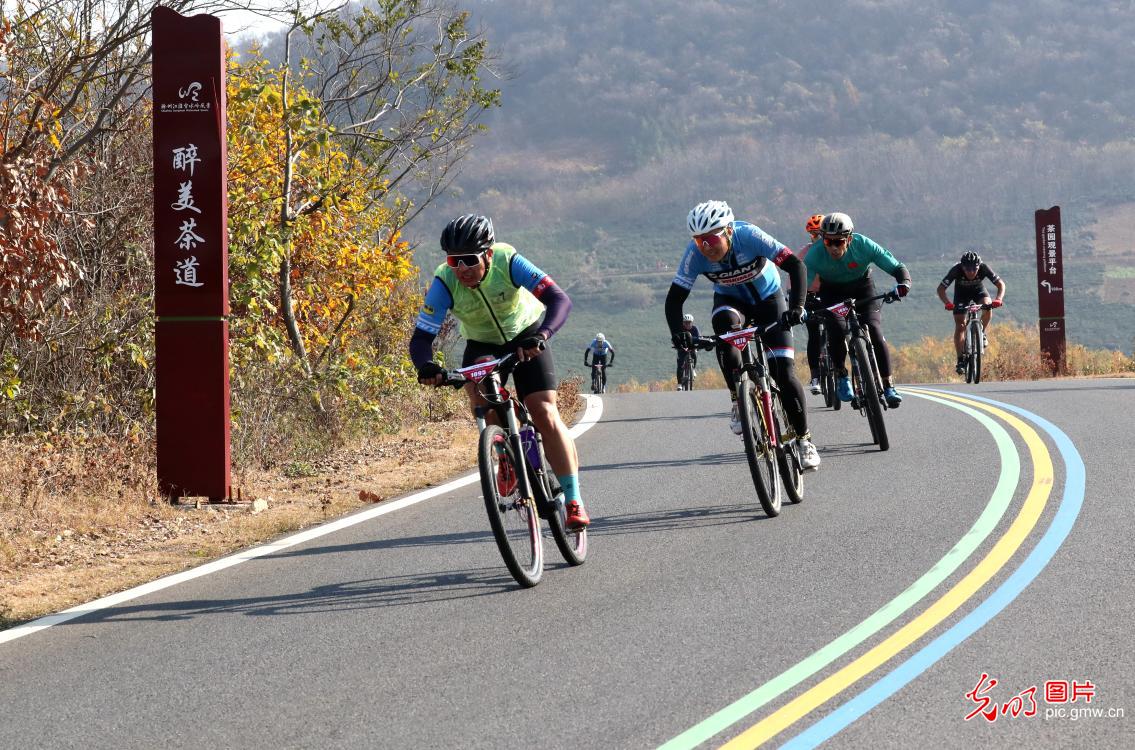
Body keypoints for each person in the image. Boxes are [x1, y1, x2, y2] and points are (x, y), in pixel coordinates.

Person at [410, 214, 589, 529]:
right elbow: (422, 337)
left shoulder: (508, 260)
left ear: (488, 254)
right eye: (454, 261)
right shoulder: (445, 280)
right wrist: (427, 366)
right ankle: (505, 454)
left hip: (526, 334)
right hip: (483, 345)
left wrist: (542, 336)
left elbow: (559, 299)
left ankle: (574, 500)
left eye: (469, 260)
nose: (462, 269)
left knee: (544, 412)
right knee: (483, 404)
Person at [664, 199, 820, 470]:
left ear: (728, 231)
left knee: (783, 372)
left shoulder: (749, 235)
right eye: (700, 241)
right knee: (723, 330)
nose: (706, 247)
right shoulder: (695, 254)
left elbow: (796, 265)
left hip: (770, 300)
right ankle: (738, 398)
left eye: (711, 238)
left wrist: (797, 307)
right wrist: (679, 334)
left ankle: (804, 439)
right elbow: (674, 300)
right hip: (731, 303)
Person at [803, 212, 911, 408]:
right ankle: (841, 373)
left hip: (863, 288)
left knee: (875, 332)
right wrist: (799, 305)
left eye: (839, 242)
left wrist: (903, 283)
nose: (834, 248)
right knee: (835, 328)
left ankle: (888, 385)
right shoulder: (814, 255)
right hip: (832, 292)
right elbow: (801, 283)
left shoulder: (863, 245)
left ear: (849, 239)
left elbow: (894, 265)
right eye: (828, 242)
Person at [937, 250, 1006, 374]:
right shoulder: (956, 270)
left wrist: (999, 299)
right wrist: (947, 303)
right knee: (960, 326)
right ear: (962, 267)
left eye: (974, 269)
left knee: (987, 305)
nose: (971, 272)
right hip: (961, 295)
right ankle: (960, 360)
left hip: (978, 291)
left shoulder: (984, 268)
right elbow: (941, 289)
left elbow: (1000, 284)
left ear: (979, 266)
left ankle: (982, 332)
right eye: (967, 269)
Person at [800, 214, 826, 395]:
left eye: (820, 234)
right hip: (810, 296)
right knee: (814, 334)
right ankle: (815, 376)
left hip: (830, 293)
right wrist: (791, 296)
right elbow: (794, 276)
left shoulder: (835, 249)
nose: (817, 238)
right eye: (813, 235)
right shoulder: (806, 252)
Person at [674, 313, 701, 390]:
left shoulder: (695, 329)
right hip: (682, 349)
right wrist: (678, 346)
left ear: (692, 323)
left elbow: (699, 338)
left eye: (689, 322)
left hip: (692, 348)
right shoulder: (680, 329)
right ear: (683, 323)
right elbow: (676, 339)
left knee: (695, 353)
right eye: (686, 322)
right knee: (680, 365)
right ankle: (679, 384)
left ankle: (693, 369)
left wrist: (698, 346)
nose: (687, 324)